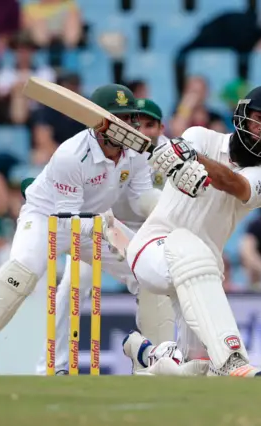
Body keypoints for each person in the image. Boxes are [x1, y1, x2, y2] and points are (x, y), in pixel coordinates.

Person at [0, 84, 167, 376]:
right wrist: (107, 228)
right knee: (21, 272)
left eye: (130, 118)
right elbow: (68, 218)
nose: (128, 126)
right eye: (120, 119)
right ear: (100, 123)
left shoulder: (136, 153)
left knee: (148, 269)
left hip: (95, 220)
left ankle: (162, 359)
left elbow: (141, 200)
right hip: (45, 217)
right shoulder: (71, 154)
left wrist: (168, 210)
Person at [122, 85, 261, 377]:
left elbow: (233, 183)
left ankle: (150, 355)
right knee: (186, 244)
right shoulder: (200, 136)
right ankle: (232, 358)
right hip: (152, 249)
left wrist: (195, 161)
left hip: (201, 275)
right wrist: (176, 157)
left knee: (197, 368)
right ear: (243, 114)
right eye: (258, 118)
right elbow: (182, 153)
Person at [34, 98, 176, 375]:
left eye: (151, 125)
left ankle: (155, 360)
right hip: (101, 229)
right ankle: (54, 364)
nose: (144, 132)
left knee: (156, 283)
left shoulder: (169, 156)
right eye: (139, 124)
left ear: (162, 127)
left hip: (146, 236)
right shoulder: (112, 147)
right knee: (75, 282)